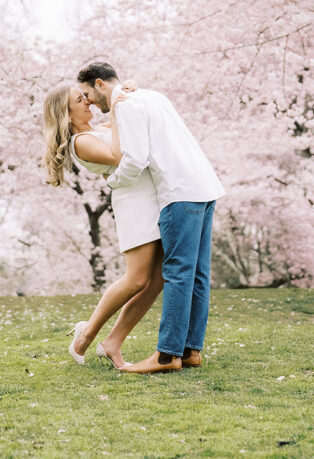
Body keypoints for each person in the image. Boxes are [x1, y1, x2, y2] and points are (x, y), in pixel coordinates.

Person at [78, 62, 224, 374]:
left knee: (178, 272)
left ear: (101, 84)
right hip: (204, 185)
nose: (90, 102)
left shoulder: (127, 106)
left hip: (178, 192)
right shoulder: (153, 96)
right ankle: (190, 350)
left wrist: (112, 181)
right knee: (198, 273)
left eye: (89, 94)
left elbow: (135, 159)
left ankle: (166, 355)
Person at [42, 82, 163, 369]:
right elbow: (119, 156)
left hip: (150, 199)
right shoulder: (80, 142)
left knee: (158, 279)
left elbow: (129, 125)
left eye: (85, 96)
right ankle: (86, 335)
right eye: (79, 99)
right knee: (136, 279)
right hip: (134, 206)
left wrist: (124, 92)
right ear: (66, 113)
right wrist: (118, 112)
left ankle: (112, 343)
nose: (87, 101)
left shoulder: (95, 131)